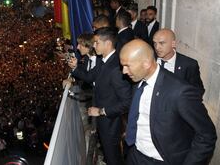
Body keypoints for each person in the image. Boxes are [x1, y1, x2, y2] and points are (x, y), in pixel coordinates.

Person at [120, 39, 217, 165]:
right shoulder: (137, 81)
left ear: (146, 63)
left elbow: (206, 135)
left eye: (127, 65)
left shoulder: (180, 91)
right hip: (135, 155)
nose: (124, 71)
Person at [70, 28, 132, 165]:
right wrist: (75, 68)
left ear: (108, 44)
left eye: (96, 43)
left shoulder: (116, 67)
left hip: (112, 123)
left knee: (113, 158)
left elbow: (127, 101)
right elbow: (90, 76)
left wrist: (101, 111)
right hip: (105, 122)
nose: (93, 46)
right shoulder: (103, 61)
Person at [153, 29, 205, 94]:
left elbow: (198, 91)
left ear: (173, 44)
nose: (157, 47)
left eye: (161, 43)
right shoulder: (150, 59)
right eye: (155, 43)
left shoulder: (189, 65)